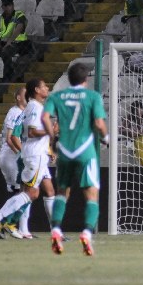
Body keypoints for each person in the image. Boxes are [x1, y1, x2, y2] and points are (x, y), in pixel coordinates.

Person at [41, 63, 107, 256]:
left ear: (69, 79)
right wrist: (107, 138)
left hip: (65, 151)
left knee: (62, 193)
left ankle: (56, 230)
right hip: (86, 152)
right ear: (86, 80)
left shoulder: (56, 96)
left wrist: (52, 137)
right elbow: (99, 123)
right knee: (91, 195)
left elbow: (46, 117)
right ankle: (86, 233)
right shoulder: (93, 96)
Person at [0, 79, 55, 239]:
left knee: (30, 193)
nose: (47, 88)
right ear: (37, 90)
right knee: (30, 193)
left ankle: (12, 225)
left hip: (34, 155)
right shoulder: (34, 108)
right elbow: (32, 132)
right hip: (35, 155)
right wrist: (51, 131)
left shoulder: (32, 107)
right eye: (44, 86)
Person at [0, 86, 28, 238]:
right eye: (25, 94)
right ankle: (2, 221)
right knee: (23, 192)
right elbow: (9, 138)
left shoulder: (25, 113)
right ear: (18, 98)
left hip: (13, 156)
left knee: (22, 192)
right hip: (10, 156)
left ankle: (20, 228)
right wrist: (21, 154)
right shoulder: (14, 112)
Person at [0, 0, 33, 83]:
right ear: (2, 7)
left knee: (5, 52)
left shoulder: (19, 15)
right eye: (5, 5)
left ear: (13, 5)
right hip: (3, 41)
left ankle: (7, 76)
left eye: (9, 5)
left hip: (18, 42)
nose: (7, 7)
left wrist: (9, 41)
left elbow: (19, 29)